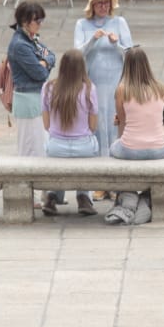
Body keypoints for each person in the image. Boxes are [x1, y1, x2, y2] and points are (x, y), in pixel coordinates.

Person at [74, 0, 131, 162]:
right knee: (96, 119)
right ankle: (98, 160)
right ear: (92, 5)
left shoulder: (119, 22)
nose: (103, 6)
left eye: (106, 2)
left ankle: (115, 157)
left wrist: (116, 44)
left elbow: (131, 53)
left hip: (115, 82)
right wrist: (93, 39)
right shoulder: (82, 24)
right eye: (99, 3)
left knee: (115, 119)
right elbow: (77, 53)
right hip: (93, 82)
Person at [40, 49, 100, 217]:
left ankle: (53, 196)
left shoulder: (48, 87)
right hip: (83, 147)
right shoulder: (89, 89)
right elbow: (93, 126)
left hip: (56, 147)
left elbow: (46, 125)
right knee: (93, 144)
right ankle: (83, 197)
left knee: (53, 152)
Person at [6, 1, 56, 166]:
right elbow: (40, 74)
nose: (40, 24)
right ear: (24, 21)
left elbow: (51, 55)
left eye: (41, 20)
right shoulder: (20, 45)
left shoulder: (32, 40)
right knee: (30, 149)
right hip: (28, 103)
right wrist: (44, 64)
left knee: (40, 146)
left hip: (36, 100)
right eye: (37, 20)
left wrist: (44, 62)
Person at [111, 46, 164, 160]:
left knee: (112, 148)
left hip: (131, 149)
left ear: (127, 67)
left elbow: (122, 124)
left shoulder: (122, 90)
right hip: (160, 149)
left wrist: (119, 137)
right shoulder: (160, 89)